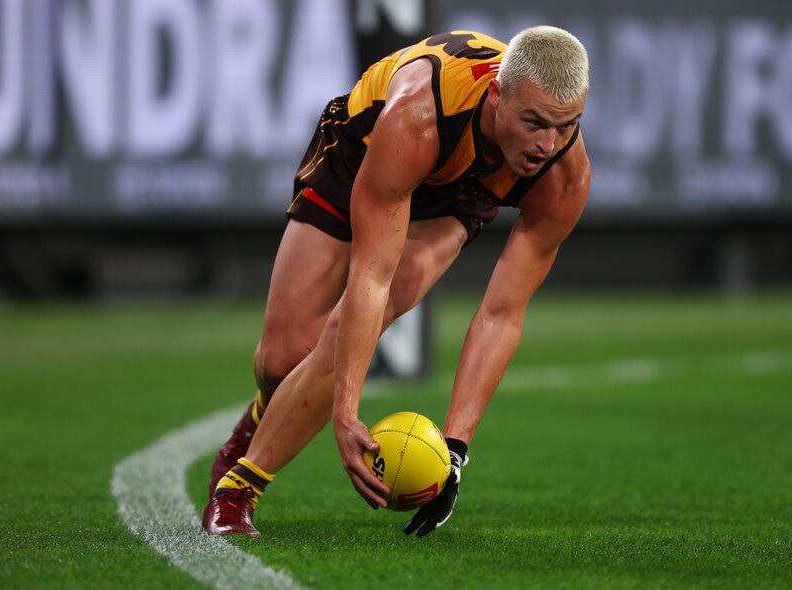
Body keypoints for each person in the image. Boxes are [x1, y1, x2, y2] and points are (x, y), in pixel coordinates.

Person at [202, 26, 591, 538]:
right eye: (534, 122)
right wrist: (345, 411)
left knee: (370, 310)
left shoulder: (564, 173)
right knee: (283, 359)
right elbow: (370, 274)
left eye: (566, 126)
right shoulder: (418, 116)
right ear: (497, 95)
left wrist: (454, 452)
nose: (547, 144)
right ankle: (258, 417)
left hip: (454, 198)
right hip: (363, 153)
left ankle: (238, 489)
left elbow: (501, 313)